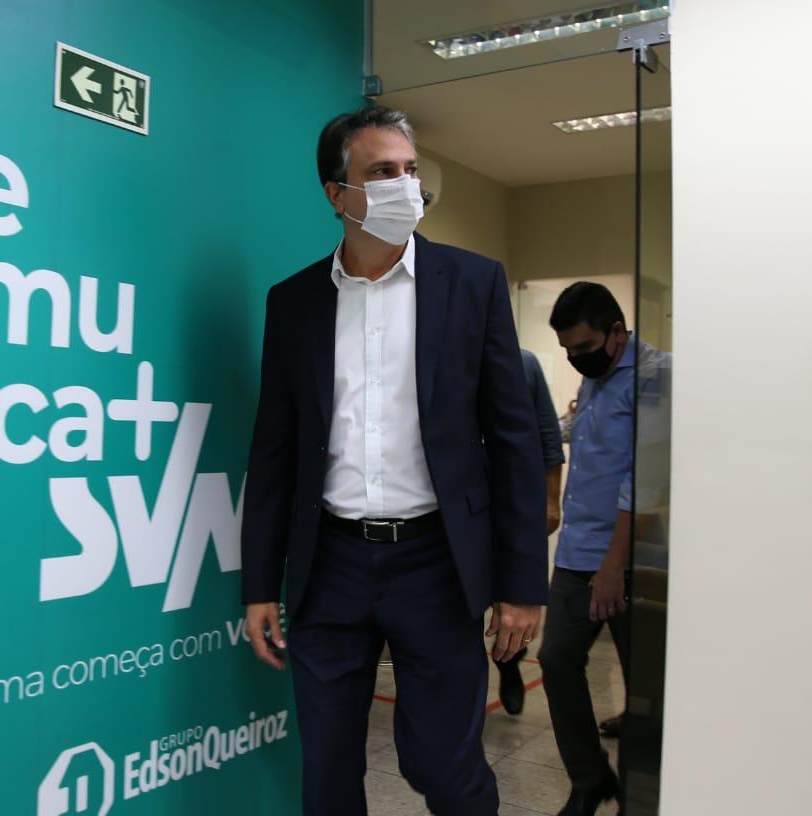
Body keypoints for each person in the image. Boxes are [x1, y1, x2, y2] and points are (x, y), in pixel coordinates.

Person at [239, 105, 548, 816]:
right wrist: (260, 583)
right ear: (337, 193)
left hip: (436, 563)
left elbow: (513, 442)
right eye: (382, 172)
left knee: (444, 769)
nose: (405, 186)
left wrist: (522, 583)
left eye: (410, 170)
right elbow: (275, 448)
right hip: (330, 566)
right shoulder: (294, 303)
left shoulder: (471, 283)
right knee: (327, 772)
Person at [538, 281, 669, 815]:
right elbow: (581, 437)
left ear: (617, 332)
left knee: (647, 687)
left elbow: (646, 481)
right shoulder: (596, 376)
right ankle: (590, 777)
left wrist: (614, 567)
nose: (577, 359)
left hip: (631, 558)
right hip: (578, 550)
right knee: (555, 659)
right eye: (568, 351)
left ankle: (645, 796)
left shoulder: (656, 375)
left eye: (585, 348)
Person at [494, 350, 565, 716]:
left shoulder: (523, 363)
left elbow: (549, 437)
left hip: (512, 502)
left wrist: (551, 499)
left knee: (513, 594)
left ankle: (509, 662)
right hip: (458, 506)